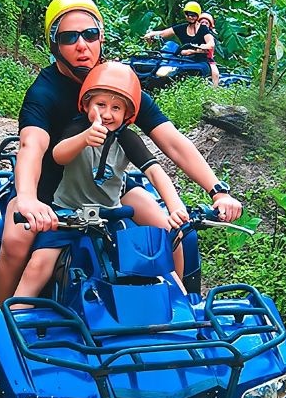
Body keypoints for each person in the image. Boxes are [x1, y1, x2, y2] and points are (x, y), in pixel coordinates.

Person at [0, 0, 241, 305]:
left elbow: (172, 141)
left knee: (172, 234)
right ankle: (4, 318)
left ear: (100, 36)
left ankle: (178, 312)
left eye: (89, 34)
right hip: (49, 192)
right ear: (54, 44)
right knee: (15, 243)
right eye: (69, 37)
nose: (82, 45)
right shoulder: (44, 92)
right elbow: (32, 145)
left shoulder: (117, 84)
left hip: (107, 188)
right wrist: (28, 199)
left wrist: (217, 190)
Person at [12, 62, 186, 301]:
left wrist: (175, 207)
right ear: (86, 105)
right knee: (38, 265)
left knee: (155, 263)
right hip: (67, 214)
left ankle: (181, 308)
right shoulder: (78, 127)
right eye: (100, 105)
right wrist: (84, 138)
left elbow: (155, 172)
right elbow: (58, 155)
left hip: (110, 216)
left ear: (127, 114)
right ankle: (16, 313)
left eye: (116, 107)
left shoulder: (127, 138)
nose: (107, 114)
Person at [142, 1, 216, 84]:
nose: (190, 17)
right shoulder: (182, 27)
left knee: (183, 71)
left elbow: (211, 44)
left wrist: (196, 49)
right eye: (188, 14)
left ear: (198, 15)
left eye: (193, 15)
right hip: (184, 60)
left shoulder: (203, 29)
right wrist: (150, 34)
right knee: (163, 68)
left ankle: (213, 89)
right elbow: (163, 33)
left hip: (199, 61)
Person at [198, 12, 220, 87]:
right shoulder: (193, 33)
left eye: (206, 23)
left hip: (207, 59)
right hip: (193, 57)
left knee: (215, 74)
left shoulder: (210, 36)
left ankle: (215, 88)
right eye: (202, 22)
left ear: (210, 25)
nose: (204, 24)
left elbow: (210, 46)